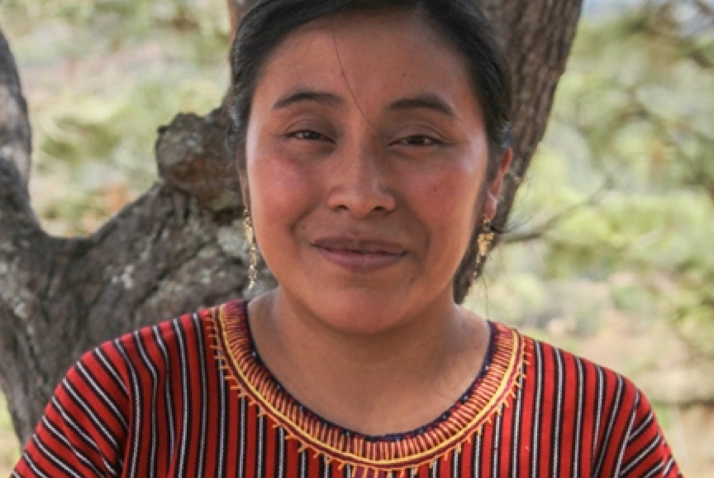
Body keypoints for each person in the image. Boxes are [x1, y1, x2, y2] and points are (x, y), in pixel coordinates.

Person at [12, 0, 682, 476]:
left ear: (495, 177)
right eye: (308, 134)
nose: (360, 193)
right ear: (241, 165)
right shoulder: (127, 403)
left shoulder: (595, 428)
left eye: (418, 139)